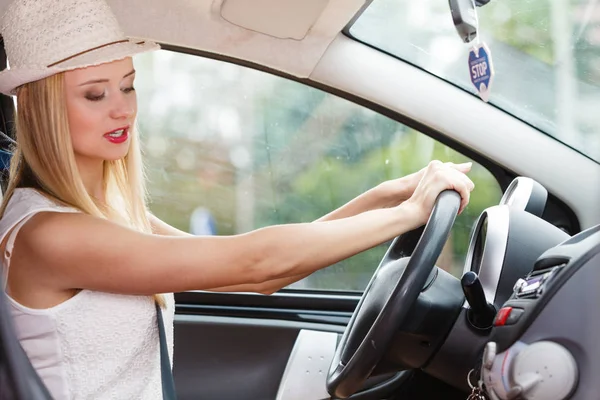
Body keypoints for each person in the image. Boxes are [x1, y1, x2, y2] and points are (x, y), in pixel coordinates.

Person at [0, 0, 475, 399]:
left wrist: (386, 197)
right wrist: (409, 214)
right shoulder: (50, 236)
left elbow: (257, 275)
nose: (122, 107)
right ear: (42, 108)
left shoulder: (104, 215)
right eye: (95, 94)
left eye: (127, 85)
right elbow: (256, 262)